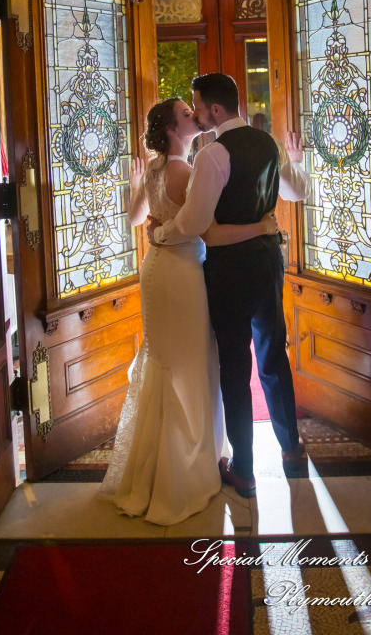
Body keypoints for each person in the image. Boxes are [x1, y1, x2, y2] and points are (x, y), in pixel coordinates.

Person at [98, 97, 278, 526]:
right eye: (186, 114)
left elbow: (137, 217)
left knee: (163, 359)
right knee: (191, 363)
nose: (194, 117)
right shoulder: (186, 169)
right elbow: (207, 229)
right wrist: (261, 225)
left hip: (155, 271)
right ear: (174, 128)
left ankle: (155, 467)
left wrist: (150, 217)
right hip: (181, 273)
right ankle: (186, 468)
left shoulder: (157, 168)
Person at [148, 73, 311, 498]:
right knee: (274, 356)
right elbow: (297, 190)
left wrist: (161, 234)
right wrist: (293, 161)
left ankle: (245, 471)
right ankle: (292, 451)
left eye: (198, 106)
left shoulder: (213, 155)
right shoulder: (268, 143)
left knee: (236, 369)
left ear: (215, 111)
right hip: (268, 261)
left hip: (229, 272)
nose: (197, 114)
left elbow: (196, 224)